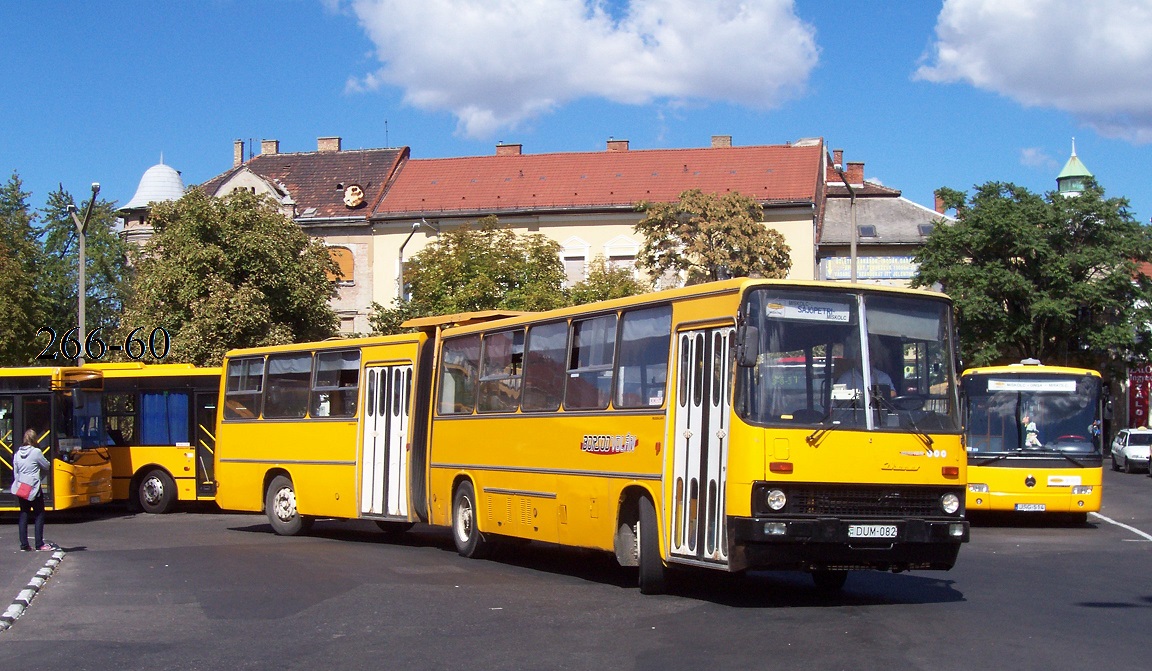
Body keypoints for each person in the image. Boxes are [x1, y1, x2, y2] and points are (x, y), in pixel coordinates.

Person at [11, 428, 54, 551]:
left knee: (24, 513)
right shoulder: (36, 452)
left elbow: (16, 472)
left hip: (22, 487)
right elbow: (46, 465)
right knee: (39, 514)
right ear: (35, 440)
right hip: (34, 488)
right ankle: (39, 544)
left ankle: (24, 544)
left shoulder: (17, 454)